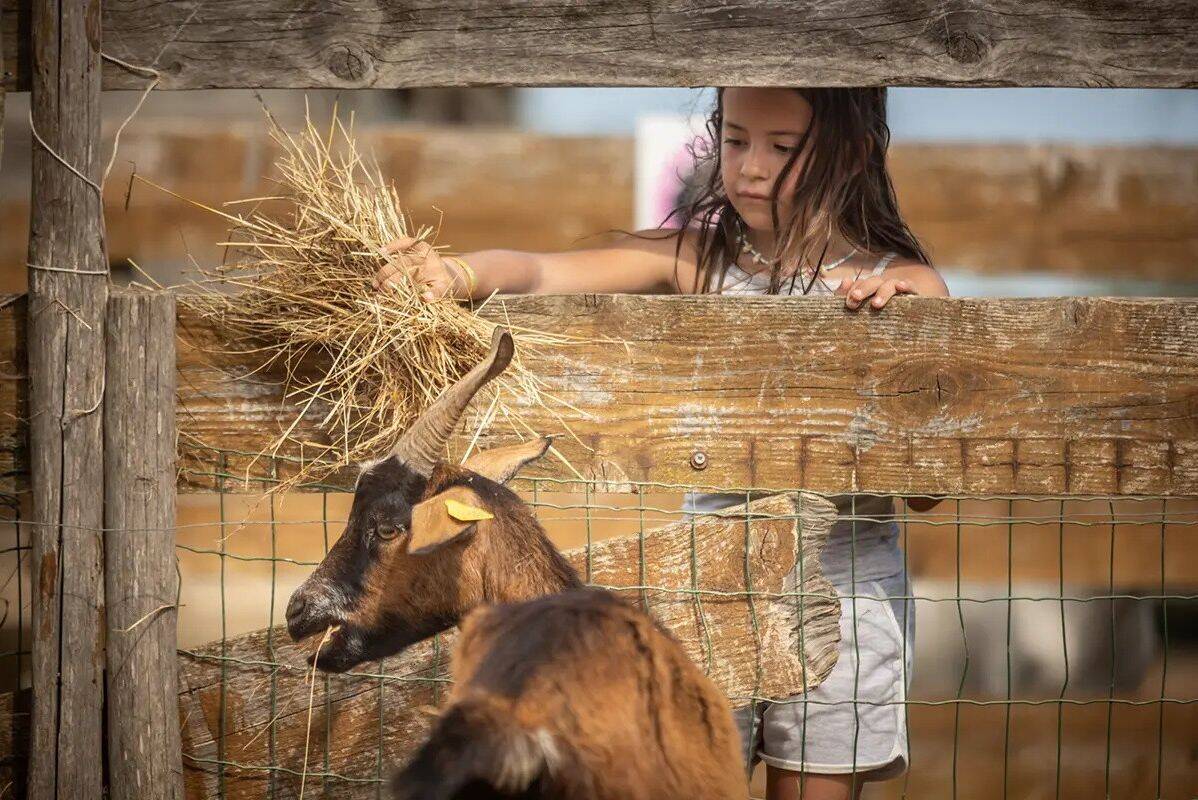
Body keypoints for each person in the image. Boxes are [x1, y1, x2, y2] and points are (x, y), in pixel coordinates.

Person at [376, 87, 948, 800]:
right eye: (736, 141)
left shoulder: (905, 284)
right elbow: (544, 270)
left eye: (781, 147)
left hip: (846, 594)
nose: (751, 168)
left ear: (853, 151)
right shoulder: (697, 261)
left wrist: (907, 337)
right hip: (709, 588)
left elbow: (930, 489)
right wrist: (457, 274)